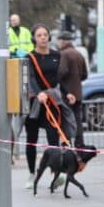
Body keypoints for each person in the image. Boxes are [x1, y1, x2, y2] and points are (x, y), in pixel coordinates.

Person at [23, 23, 77, 189]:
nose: (43, 38)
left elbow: (58, 78)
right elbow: (31, 78)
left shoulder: (56, 55)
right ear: (34, 38)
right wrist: (39, 93)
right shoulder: (29, 57)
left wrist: (67, 92)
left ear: (49, 37)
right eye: (39, 35)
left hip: (52, 101)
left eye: (45, 35)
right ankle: (32, 174)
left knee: (54, 138)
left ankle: (56, 175)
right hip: (35, 102)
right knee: (31, 139)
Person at [58, 30, 88, 147]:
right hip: (78, 93)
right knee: (77, 119)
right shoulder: (79, 54)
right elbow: (85, 75)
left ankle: (66, 142)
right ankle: (79, 143)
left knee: (66, 119)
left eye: (59, 40)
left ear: (63, 41)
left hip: (67, 93)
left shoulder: (64, 54)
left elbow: (62, 72)